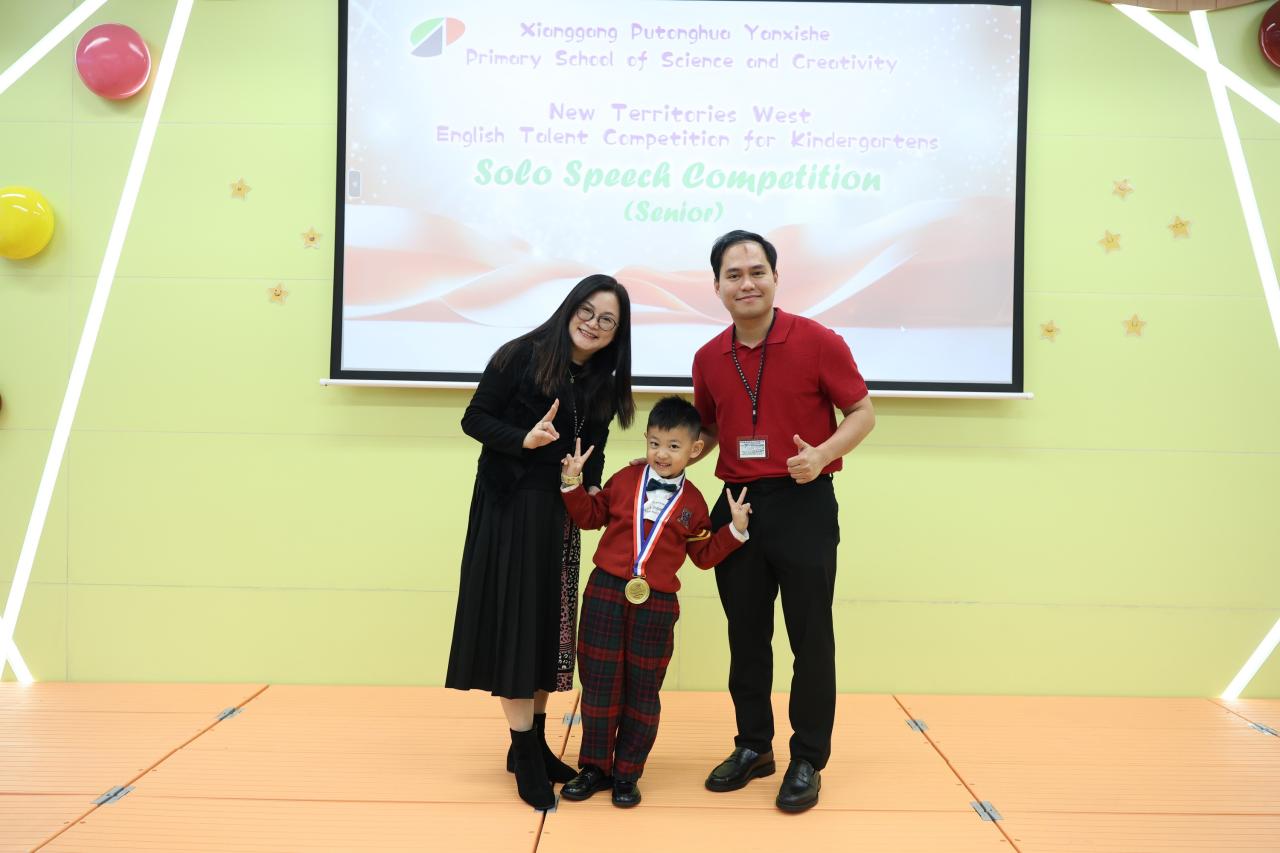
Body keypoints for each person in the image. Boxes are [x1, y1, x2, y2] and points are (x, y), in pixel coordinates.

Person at [692, 230, 875, 812]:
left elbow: (862, 412)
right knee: (745, 635)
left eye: (756, 272)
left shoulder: (818, 341)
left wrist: (822, 455)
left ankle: (807, 757)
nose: (746, 283)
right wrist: (666, 463)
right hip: (738, 506)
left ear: (775, 277)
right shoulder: (707, 357)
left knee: (810, 637)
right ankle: (753, 746)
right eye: (733, 274)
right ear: (717, 286)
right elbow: (709, 430)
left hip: (803, 501)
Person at [445, 274, 636, 811]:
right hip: (511, 508)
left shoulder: (602, 383)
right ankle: (525, 752)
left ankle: (533, 742)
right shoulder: (520, 355)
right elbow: (474, 418)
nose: (593, 324)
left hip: (561, 515)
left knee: (550, 628)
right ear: (570, 307)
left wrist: (592, 486)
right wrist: (523, 439)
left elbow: (593, 451)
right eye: (587, 311)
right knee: (517, 627)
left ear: (617, 334)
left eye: (607, 320)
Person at [555, 396, 752, 808]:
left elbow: (702, 557)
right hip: (605, 592)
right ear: (646, 439)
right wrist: (572, 484)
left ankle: (627, 773)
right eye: (655, 444)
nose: (662, 454)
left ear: (695, 449)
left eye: (674, 446)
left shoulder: (694, 503)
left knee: (644, 691)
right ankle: (594, 768)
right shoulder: (624, 480)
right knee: (599, 685)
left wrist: (734, 532)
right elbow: (590, 517)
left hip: (657, 603)